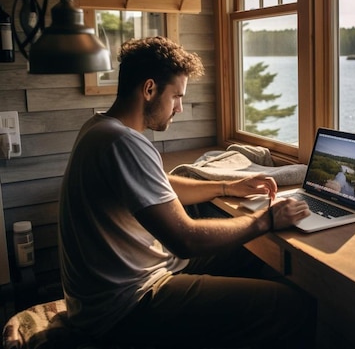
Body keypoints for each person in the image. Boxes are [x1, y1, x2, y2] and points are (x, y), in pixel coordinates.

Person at [58, 36, 314, 348]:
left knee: (248, 254)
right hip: (125, 308)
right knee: (292, 306)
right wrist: (265, 220)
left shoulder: (99, 128)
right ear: (149, 89)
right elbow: (186, 239)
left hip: (113, 292)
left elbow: (161, 184)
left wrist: (226, 186)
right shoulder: (122, 143)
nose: (179, 107)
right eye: (177, 96)